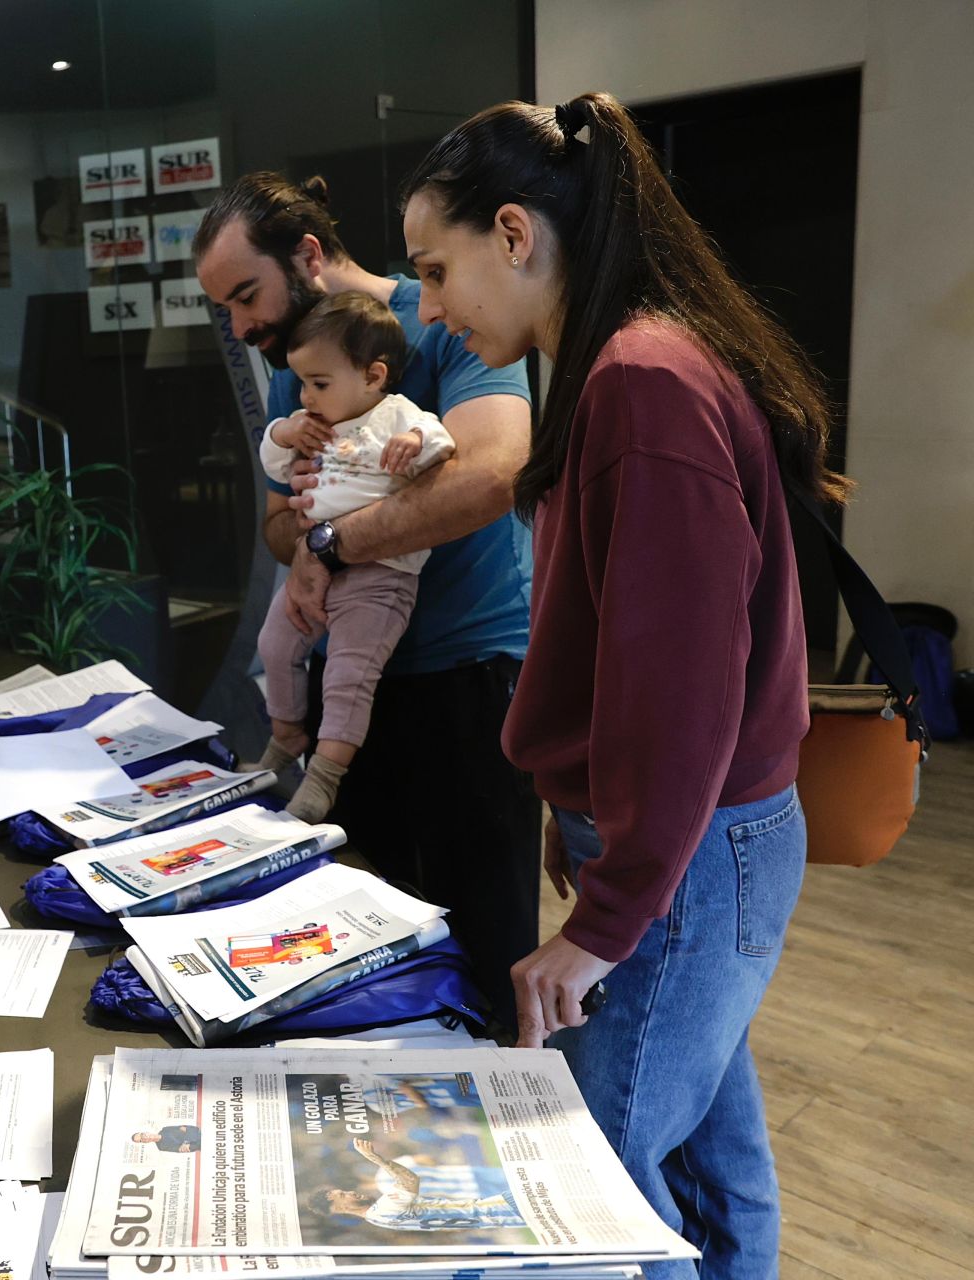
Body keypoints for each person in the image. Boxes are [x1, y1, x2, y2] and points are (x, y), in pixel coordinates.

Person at [399, 92, 842, 1277]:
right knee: (704, 1158)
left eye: (436, 271)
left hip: (694, 853)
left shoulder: (641, 379)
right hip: (680, 846)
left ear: (513, 232)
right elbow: (623, 651)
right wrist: (585, 814)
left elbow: (686, 687)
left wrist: (604, 918)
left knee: (585, 1179)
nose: (428, 308)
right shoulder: (619, 362)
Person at [195, 172, 538, 1032]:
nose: (240, 327)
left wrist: (332, 543)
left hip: (467, 675)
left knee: (485, 949)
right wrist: (304, 543)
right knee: (358, 945)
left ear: (308, 256)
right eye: (226, 310)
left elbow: (492, 476)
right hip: (348, 687)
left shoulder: (454, 323)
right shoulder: (296, 371)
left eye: (246, 296)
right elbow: (280, 525)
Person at [252, 292, 456, 821]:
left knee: (348, 677)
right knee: (274, 643)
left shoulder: (395, 414)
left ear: (373, 375)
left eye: (320, 383)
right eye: (303, 383)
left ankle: (323, 779)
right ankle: (286, 737)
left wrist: (415, 440)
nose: (307, 395)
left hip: (380, 576)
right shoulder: (309, 422)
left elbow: (441, 441)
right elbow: (270, 454)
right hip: (314, 570)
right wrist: (286, 430)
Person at [315, 1140, 526, 1233]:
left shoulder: (378, 1219)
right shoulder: (383, 1209)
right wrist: (376, 1158)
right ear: (339, 1208)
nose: (351, 1192)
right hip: (498, 1206)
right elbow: (411, 1180)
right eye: (343, 1194)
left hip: (493, 1214)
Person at [131, 1125, 203, 1154]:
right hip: (199, 1145)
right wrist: (187, 1143)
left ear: (145, 1132)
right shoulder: (161, 1147)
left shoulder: (165, 1129)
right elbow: (182, 1149)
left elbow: (188, 1129)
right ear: (144, 1143)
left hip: (201, 1135)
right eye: (140, 1140)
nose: (143, 1138)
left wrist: (185, 1142)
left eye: (141, 1135)